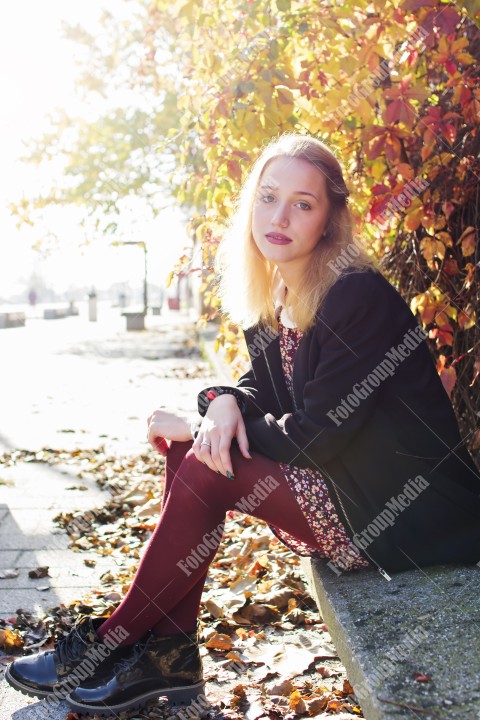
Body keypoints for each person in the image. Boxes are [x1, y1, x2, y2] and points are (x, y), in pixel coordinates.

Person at [6, 133, 480, 716]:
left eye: (303, 204)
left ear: (329, 220)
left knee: (207, 467)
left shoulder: (355, 294)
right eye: (268, 197)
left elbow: (316, 437)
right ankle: (167, 658)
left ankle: (118, 643)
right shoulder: (276, 292)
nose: (279, 217)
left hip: (402, 512)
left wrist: (204, 421)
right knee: (193, 457)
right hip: (347, 491)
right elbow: (257, 387)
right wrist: (221, 403)